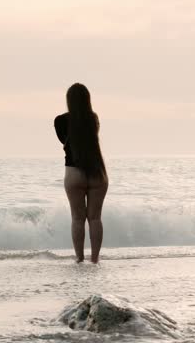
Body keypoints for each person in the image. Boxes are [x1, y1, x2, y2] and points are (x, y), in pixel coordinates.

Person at [54, 83, 109, 263]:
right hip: (96, 171)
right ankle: (95, 259)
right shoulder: (93, 118)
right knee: (95, 218)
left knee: (77, 218)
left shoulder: (60, 121)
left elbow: (63, 140)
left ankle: (79, 258)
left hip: (74, 172)